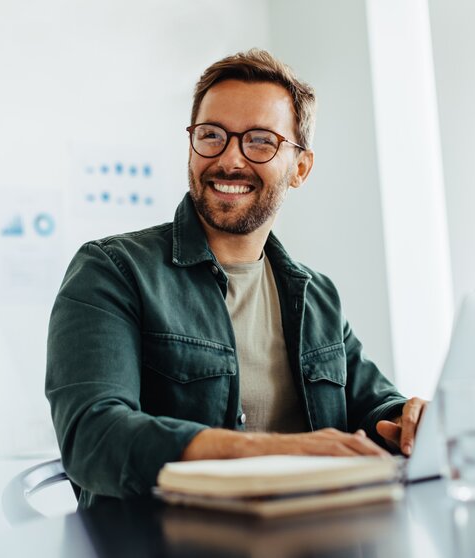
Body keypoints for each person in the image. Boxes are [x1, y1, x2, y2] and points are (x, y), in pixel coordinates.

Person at [46, 48, 426, 505]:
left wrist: (410, 418)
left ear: (300, 168)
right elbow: (93, 437)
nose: (230, 159)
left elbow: (374, 406)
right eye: (212, 135)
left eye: (261, 141)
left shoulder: (316, 295)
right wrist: (269, 452)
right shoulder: (112, 270)